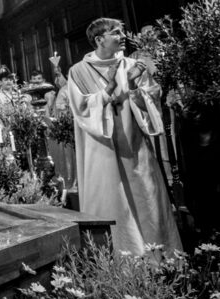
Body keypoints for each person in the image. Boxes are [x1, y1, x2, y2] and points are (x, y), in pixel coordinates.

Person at [67, 18, 182, 254]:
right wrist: (108, 89)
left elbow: (152, 98)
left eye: (122, 32)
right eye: (116, 33)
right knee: (112, 200)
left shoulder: (132, 65)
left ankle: (160, 258)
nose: (123, 37)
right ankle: (120, 258)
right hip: (102, 149)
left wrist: (131, 83)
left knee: (147, 199)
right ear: (100, 39)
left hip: (135, 145)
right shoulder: (78, 72)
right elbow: (81, 109)